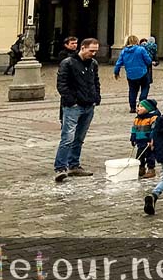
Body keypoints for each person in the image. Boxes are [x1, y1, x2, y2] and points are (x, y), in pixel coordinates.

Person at [53, 37, 102, 182]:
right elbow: (62, 85)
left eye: (95, 51)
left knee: (79, 138)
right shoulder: (67, 63)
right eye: (91, 50)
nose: (93, 54)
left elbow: (95, 81)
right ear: (83, 48)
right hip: (73, 106)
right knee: (67, 137)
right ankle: (60, 167)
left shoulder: (93, 64)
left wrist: (96, 98)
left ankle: (74, 165)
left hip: (89, 105)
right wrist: (71, 101)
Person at [113, 34, 154, 113]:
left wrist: (116, 72)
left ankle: (132, 107)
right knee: (145, 87)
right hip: (142, 72)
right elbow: (148, 60)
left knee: (132, 90)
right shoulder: (141, 49)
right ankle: (142, 102)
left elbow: (118, 63)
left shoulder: (124, 51)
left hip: (130, 74)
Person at [131, 98, 160, 179]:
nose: (138, 108)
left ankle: (151, 169)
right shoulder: (137, 118)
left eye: (141, 106)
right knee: (139, 156)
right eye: (138, 106)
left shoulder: (153, 118)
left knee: (150, 156)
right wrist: (133, 137)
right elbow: (134, 128)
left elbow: (154, 130)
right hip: (140, 140)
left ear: (148, 108)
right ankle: (141, 168)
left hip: (148, 141)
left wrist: (151, 139)